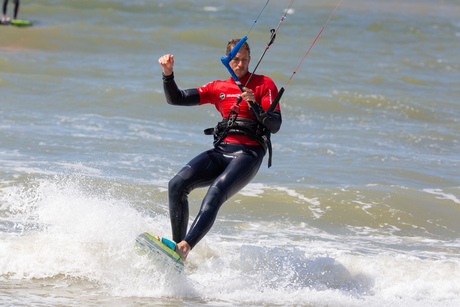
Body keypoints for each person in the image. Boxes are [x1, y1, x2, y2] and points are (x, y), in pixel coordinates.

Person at [158, 39, 282, 261]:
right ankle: (177, 250)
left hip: (249, 154)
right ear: (228, 60)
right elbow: (176, 99)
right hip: (221, 151)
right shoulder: (218, 87)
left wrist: (254, 103)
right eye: (236, 59)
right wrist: (168, 74)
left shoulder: (265, 84)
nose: (241, 64)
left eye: (245, 59)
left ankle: (185, 248)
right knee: (176, 185)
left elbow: (275, 124)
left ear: (250, 60)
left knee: (215, 192)